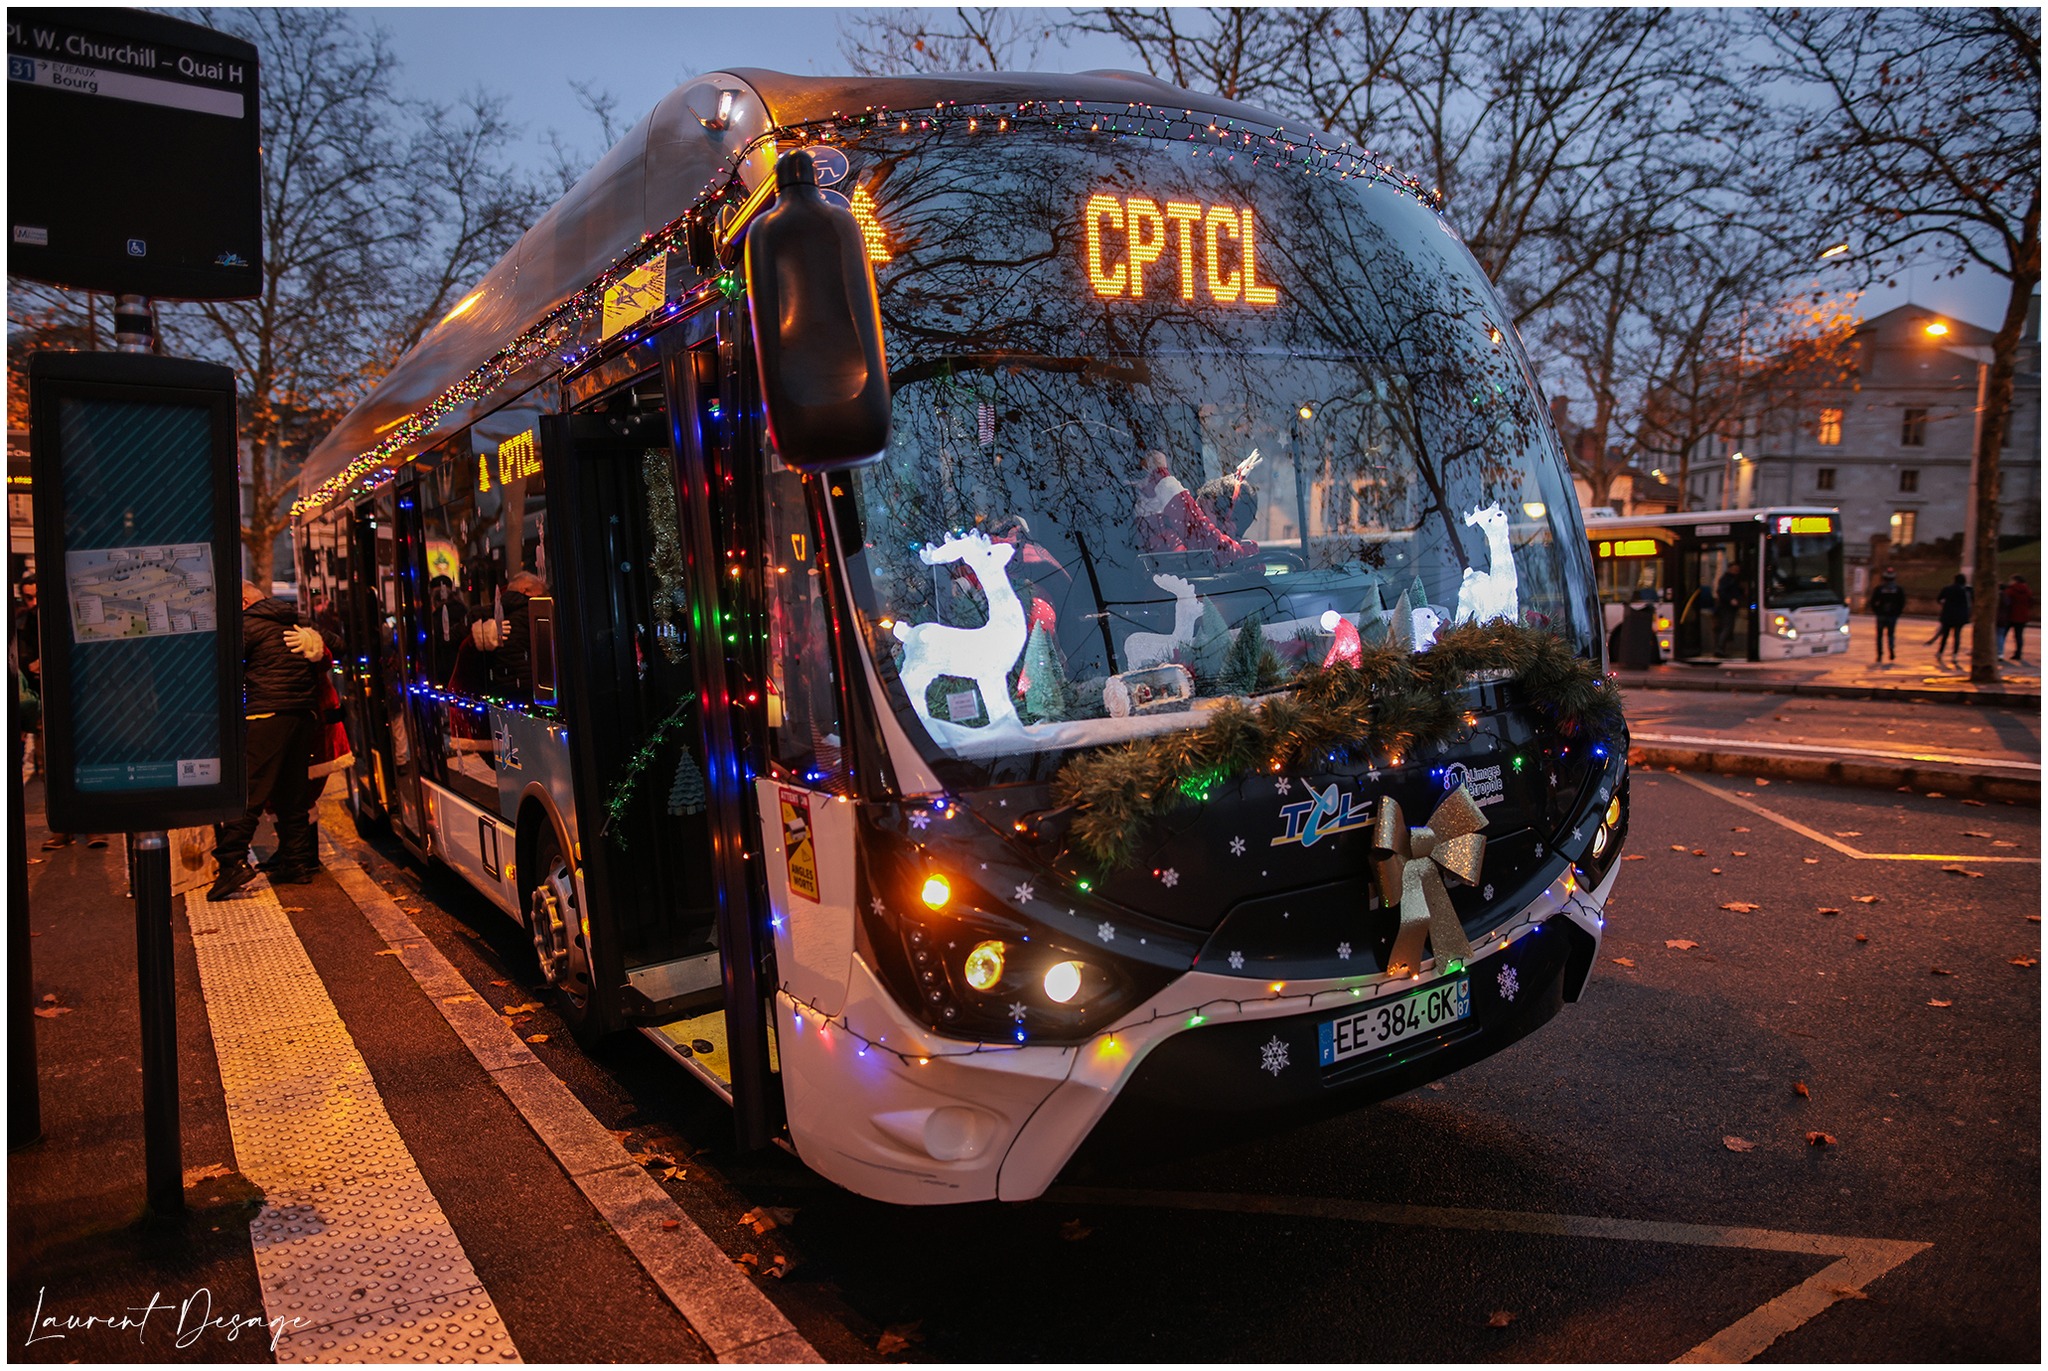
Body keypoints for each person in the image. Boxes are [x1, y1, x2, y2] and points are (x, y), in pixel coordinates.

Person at [210, 580, 330, 898]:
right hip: (302, 717)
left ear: (245, 600)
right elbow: (335, 646)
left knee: (250, 790)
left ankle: (231, 863)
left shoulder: (247, 625)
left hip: (267, 716)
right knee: (292, 793)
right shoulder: (297, 621)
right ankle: (297, 865)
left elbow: (221, 665)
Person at [1133, 450, 1256, 565]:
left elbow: (1198, 532)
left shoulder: (1239, 558)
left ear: (1229, 526)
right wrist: (1149, 496)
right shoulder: (1190, 549)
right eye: (1196, 510)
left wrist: (1161, 475)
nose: (1196, 517)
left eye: (1202, 515)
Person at [1933, 573, 1972, 669]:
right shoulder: (1967, 590)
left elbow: (1939, 599)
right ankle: (1954, 654)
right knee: (1957, 635)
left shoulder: (1948, 589)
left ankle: (1940, 652)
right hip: (1961, 616)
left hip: (1948, 615)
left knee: (1945, 635)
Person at [1868, 567, 1906, 664]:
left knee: (1879, 636)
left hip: (1881, 614)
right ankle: (1891, 649)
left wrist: (1876, 611)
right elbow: (1902, 602)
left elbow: (1872, 601)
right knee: (1891, 634)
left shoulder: (1879, 589)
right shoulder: (1898, 589)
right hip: (1892, 615)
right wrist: (1898, 612)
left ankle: (1880, 654)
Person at [2000, 574, 2033, 664]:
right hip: (2023, 616)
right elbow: (2030, 602)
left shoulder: (2010, 591)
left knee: (2002, 635)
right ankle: (2018, 653)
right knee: (2019, 636)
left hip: (2010, 615)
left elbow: (2006, 602)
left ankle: (2000, 652)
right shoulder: (2027, 591)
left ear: (2015, 581)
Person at [1713, 565, 1742, 657]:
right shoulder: (1727, 579)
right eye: (1735, 569)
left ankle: (1723, 649)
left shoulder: (1733, 579)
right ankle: (1720, 649)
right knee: (1727, 627)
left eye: (1738, 570)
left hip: (1729, 607)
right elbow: (1721, 592)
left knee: (1728, 627)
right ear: (1730, 569)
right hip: (1726, 607)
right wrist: (1731, 600)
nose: (1737, 571)